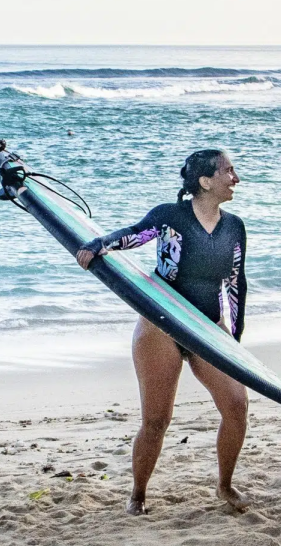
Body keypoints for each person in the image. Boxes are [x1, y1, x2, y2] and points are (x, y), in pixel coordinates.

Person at [76, 151, 249, 516]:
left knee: (236, 404)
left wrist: (235, 339)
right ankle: (138, 494)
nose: (235, 178)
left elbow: (236, 284)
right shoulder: (171, 217)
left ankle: (225, 485)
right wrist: (97, 246)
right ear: (205, 181)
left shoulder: (234, 227)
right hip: (162, 326)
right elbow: (133, 235)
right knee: (157, 421)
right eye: (229, 171)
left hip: (206, 326)